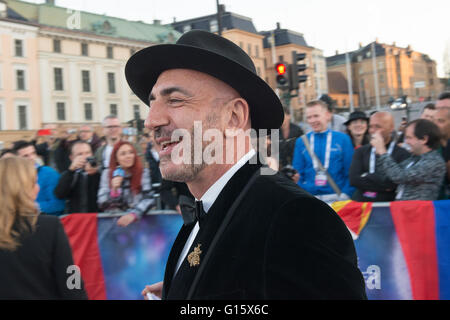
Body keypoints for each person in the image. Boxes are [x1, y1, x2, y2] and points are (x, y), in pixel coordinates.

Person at [126, 30, 366, 299]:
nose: (151, 120)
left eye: (176, 100)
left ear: (234, 117)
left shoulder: (296, 218)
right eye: (152, 103)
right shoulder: (204, 209)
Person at [0, 157, 87, 299]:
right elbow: (71, 276)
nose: (38, 188)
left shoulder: (49, 226)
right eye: (33, 183)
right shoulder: (49, 227)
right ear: (21, 189)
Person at [292, 100, 355, 202]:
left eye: (316, 116)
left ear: (327, 115)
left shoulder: (343, 139)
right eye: (309, 117)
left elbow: (350, 171)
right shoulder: (301, 141)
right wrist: (303, 195)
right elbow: (298, 173)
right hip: (310, 198)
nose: (312, 121)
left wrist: (346, 194)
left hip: (338, 198)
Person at [370, 119, 445, 200]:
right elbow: (388, 175)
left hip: (418, 211)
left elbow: (400, 176)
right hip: (402, 209)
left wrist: (382, 151)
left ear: (424, 139)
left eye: (409, 138)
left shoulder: (434, 162)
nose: (406, 142)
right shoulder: (414, 158)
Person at [349, 112, 411, 202]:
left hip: (388, 206)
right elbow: (354, 180)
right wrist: (384, 184)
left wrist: (368, 176)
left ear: (391, 128)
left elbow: (394, 183)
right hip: (363, 205)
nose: (373, 130)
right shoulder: (361, 151)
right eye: (370, 126)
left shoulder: (402, 153)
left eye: (378, 127)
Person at [97, 141, 155, 227]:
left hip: (139, 223)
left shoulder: (143, 172)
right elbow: (102, 202)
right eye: (123, 154)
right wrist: (114, 191)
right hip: (114, 224)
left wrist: (133, 214)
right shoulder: (107, 174)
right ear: (116, 158)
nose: (128, 156)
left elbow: (149, 199)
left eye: (131, 152)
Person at [13, 141, 65, 216]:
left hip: (45, 221)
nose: (31, 158)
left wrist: (28, 207)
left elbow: (58, 205)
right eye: (26, 156)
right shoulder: (13, 176)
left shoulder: (48, 173)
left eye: (33, 153)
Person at [54, 141, 101, 213]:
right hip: (76, 218)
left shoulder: (98, 172)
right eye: (80, 154)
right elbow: (59, 194)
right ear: (72, 158)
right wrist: (71, 171)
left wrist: (95, 173)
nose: (85, 157)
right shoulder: (68, 174)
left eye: (88, 153)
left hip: (95, 217)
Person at [433, 107, 450, 198]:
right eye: (434, 121)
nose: (435, 125)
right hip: (437, 204)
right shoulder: (430, 147)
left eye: (440, 121)